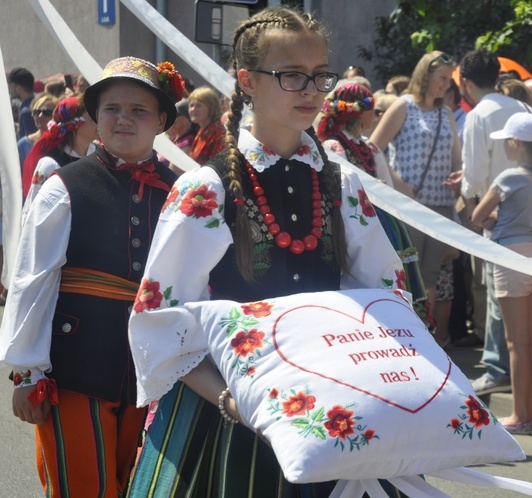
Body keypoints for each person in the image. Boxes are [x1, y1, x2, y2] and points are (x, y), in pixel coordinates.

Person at [126, 7, 404, 496]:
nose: (312, 91)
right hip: (230, 414)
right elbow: (161, 316)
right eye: (292, 76)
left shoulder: (342, 184)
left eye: (320, 76)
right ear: (247, 81)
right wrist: (231, 400)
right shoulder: (207, 188)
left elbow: (384, 295)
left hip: (331, 407)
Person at [0, 56, 182, 498]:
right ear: (94, 117)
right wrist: (27, 372)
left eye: (139, 110)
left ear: (161, 120)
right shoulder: (65, 185)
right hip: (73, 369)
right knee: (82, 486)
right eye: (112, 109)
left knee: (144, 486)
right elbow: (33, 281)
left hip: (153, 370)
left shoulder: (183, 190)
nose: (124, 119)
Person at [318, 81, 430, 326]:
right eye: (374, 109)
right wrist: (369, 186)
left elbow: (387, 186)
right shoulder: (333, 146)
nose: (376, 115)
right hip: (351, 220)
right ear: (359, 112)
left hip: (383, 219)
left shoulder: (370, 147)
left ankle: (402, 321)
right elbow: (336, 184)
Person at [470, 112, 532, 434]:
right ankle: (527, 414)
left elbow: (477, 216)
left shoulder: (509, 177)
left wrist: (492, 215)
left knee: (516, 343)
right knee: (527, 342)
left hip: (510, 256)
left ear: (516, 144)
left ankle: (521, 416)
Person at [455, 49, 531, 395]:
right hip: (528, 206)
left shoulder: (478, 116)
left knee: (499, 292)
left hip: (496, 210)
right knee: (521, 293)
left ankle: (498, 366)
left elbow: (474, 172)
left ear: (466, 82)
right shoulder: (522, 108)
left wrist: (474, 210)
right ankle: (516, 364)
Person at [370, 50, 462, 335]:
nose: (447, 84)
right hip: (409, 205)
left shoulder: (445, 111)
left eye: (449, 79)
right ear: (426, 74)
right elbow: (373, 147)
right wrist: (398, 183)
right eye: (443, 78)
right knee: (409, 274)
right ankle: (407, 334)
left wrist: (460, 176)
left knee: (431, 275)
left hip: (441, 204)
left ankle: (427, 335)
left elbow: (455, 156)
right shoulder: (403, 106)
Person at [22, 94, 98, 206]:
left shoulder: (99, 156)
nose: (99, 122)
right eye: (92, 118)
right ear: (76, 124)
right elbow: (35, 208)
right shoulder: (50, 164)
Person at [17, 93, 59, 167]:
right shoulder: (23, 145)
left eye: (47, 112)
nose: (40, 116)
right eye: (36, 112)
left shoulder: (63, 142)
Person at [188, 85, 225, 165]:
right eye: (191, 105)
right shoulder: (202, 130)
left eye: (199, 105)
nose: (193, 109)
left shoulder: (219, 134)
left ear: (211, 107)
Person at [8, 67, 36, 139]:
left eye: (10, 84)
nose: (8, 87)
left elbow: (30, 144)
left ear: (19, 89)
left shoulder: (26, 111)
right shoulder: (36, 104)